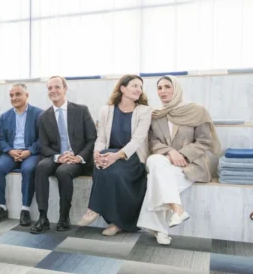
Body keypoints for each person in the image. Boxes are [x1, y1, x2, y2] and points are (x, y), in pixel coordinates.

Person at [137, 76, 221, 245]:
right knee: (155, 161)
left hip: (190, 165)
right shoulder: (157, 115)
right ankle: (178, 210)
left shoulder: (197, 111)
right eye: (159, 88)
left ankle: (159, 229)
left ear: (177, 89)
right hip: (164, 161)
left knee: (156, 179)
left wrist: (182, 154)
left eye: (167, 87)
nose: (163, 91)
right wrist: (170, 152)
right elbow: (153, 141)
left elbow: (205, 141)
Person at [78, 75, 152, 236]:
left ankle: (98, 211)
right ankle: (110, 220)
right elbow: (101, 138)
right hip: (109, 154)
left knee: (114, 172)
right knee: (102, 162)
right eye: (135, 85)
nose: (139, 89)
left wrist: (116, 156)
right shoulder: (106, 110)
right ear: (122, 88)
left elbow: (137, 140)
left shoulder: (144, 111)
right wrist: (96, 154)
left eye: (140, 87)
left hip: (132, 158)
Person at [31, 76, 97, 234]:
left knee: (63, 172)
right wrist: (58, 157)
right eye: (50, 88)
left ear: (65, 89)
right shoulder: (43, 116)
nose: (53, 91)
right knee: (40, 167)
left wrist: (78, 157)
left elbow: (92, 139)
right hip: (56, 156)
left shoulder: (81, 110)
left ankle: (63, 217)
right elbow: (43, 145)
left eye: (57, 87)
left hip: (77, 158)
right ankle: (43, 217)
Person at [0, 84, 43, 226]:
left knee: (28, 169)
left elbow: (42, 139)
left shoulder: (39, 114)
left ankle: (25, 209)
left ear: (27, 95)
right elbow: (1, 139)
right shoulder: (5, 116)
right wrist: (10, 151)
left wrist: (28, 151)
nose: (14, 98)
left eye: (18, 94)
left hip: (30, 152)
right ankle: (1, 207)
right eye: (11, 95)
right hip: (11, 152)